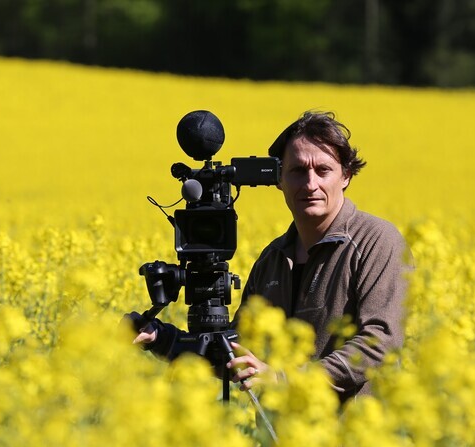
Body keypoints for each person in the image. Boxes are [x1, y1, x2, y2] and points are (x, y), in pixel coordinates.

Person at [133, 111, 410, 403]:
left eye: (323, 170)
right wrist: (161, 338)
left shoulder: (377, 241)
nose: (310, 184)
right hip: (282, 443)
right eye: (298, 171)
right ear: (279, 179)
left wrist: (285, 380)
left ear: (346, 176)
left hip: (356, 443)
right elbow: (237, 355)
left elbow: (380, 343)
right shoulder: (273, 259)